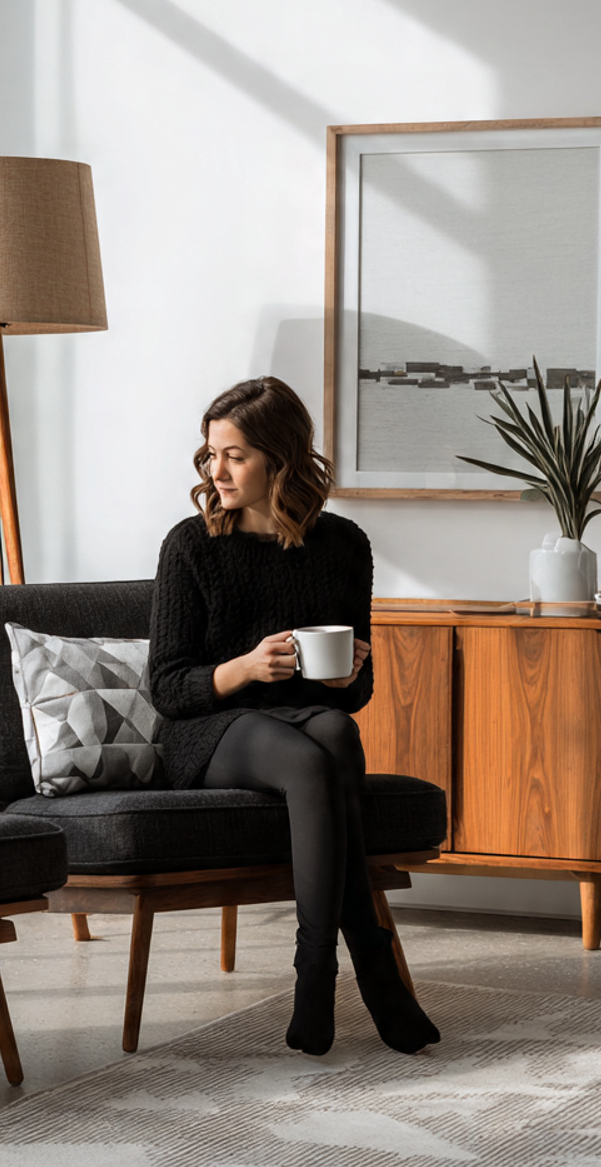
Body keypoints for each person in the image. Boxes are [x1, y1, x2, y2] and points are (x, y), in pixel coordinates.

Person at [148, 376, 439, 1056]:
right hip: (209, 729)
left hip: (305, 715)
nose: (215, 471)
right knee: (315, 754)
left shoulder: (343, 546)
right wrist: (245, 667)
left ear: (280, 461)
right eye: (210, 455)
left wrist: (345, 676)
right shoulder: (190, 546)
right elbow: (166, 686)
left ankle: (339, 980)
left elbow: (349, 694)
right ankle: (339, 971)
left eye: (235, 456)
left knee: (337, 729)